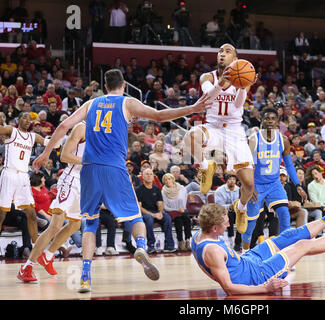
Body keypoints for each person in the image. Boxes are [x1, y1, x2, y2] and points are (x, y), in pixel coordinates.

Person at [32, 69, 211, 292]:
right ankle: (142, 247)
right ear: (123, 85)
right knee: (134, 216)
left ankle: (85, 275)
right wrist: (192, 108)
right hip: (114, 168)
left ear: (105, 87)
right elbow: (158, 116)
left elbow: (62, 126)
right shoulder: (127, 103)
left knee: (90, 222)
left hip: (88, 170)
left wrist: (45, 153)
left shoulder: (90, 104)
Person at [191, 191, 325, 295]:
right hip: (257, 277)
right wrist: (265, 288)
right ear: (214, 228)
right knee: (303, 245)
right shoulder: (212, 252)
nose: (229, 223)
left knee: (288, 236)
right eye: (225, 222)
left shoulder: (199, 235)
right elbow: (229, 288)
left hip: (248, 262)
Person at [182, 43, 258, 238]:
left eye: (227, 52)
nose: (222, 54)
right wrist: (221, 83)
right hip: (214, 126)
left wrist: (243, 86)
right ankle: (206, 166)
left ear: (236, 59)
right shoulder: (207, 77)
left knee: (249, 184)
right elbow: (208, 96)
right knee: (190, 136)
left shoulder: (243, 77)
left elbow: (239, 104)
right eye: (220, 51)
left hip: (234, 131)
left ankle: (241, 208)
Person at [17, 122, 85, 281]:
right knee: (55, 225)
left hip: (84, 182)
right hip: (71, 180)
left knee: (75, 224)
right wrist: (90, 161)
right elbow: (64, 156)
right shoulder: (82, 127)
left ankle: (47, 256)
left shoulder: (102, 133)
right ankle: (27, 267)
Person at [0, 112, 61, 256]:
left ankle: (36, 250)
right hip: (9, 173)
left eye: (30, 119)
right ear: (18, 119)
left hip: (23, 177)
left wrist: (60, 137)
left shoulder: (33, 136)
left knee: (32, 214)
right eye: (25, 118)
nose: (28, 121)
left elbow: (49, 142)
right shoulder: (11, 130)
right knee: (2, 214)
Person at [243, 107, 304, 251]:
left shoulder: (284, 140)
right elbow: (246, 165)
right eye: (266, 118)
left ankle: (285, 251)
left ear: (278, 121)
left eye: (272, 118)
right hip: (256, 184)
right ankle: (244, 251)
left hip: (275, 184)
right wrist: (248, 187)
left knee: (284, 214)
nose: (269, 121)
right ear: (261, 120)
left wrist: (297, 185)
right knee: (251, 222)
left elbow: (289, 165)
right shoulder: (253, 139)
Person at [136, 168, 176, 253]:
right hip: (145, 213)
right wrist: (153, 215)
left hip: (155, 212)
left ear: (154, 177)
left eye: (151, 174)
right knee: (149, 219)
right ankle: (151, 245)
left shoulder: (157, 189)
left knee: (167, 217)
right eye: (147, 174)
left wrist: (160, 213)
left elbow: (160, 204)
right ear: (143, 177)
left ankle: (169, 245)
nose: (149, 176)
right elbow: (139, 207)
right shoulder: (139, 189)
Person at [161, 173, 191, 251]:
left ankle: (188, 240)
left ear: (173, 179)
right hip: (171, 212)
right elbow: (165, 207)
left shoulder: (181, 188)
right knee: (178, 221)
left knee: (187, 219)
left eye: (169, 179)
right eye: (165, 180)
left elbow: (184, 200)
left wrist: (182, 209)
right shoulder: (163, 191)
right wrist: (176, 210)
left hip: (182, 210)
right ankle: (180, 241)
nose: (167, 181)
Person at [214, 173, 242, 251]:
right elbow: (218, 205)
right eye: (230, 179)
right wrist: (229, 207)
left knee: (242, 218)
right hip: (224, 212)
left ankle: (237, 243)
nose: (232, 181)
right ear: (226, 181)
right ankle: (230, 239)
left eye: (233, 179)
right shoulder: (219, 190)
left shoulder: (239, 190)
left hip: (237, 211)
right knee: (228, 215)